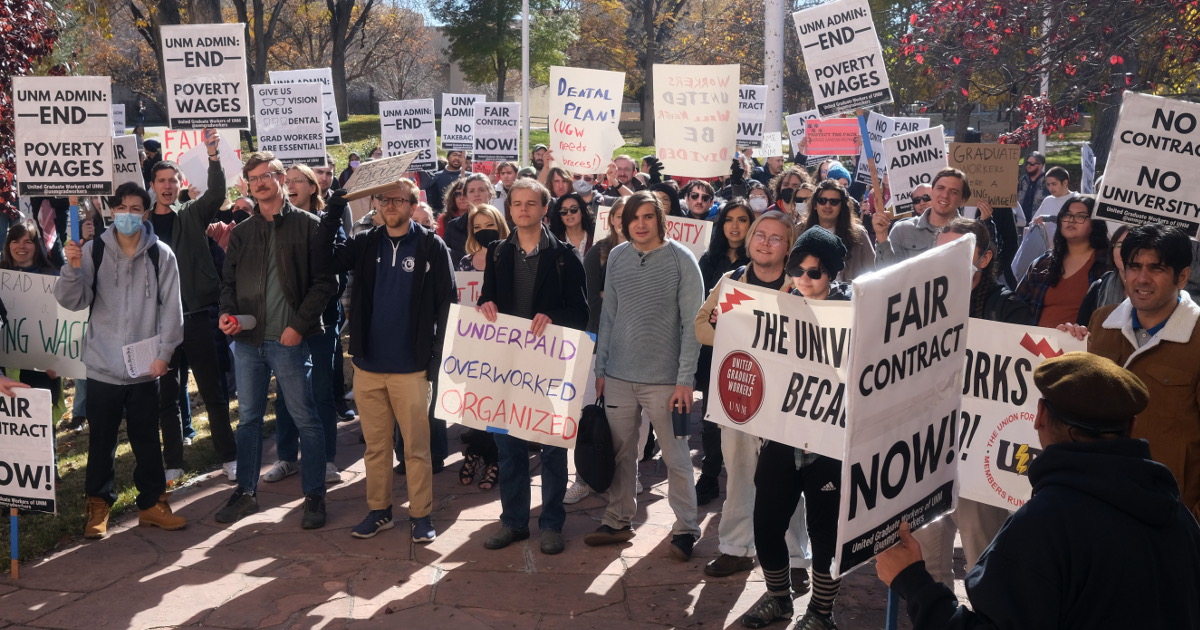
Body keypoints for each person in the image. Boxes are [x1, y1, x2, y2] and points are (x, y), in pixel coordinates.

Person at [877, 351, 1200, 629]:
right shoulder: (1177, 515)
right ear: (1130, 428)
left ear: (1041, 416)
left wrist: (913, 581)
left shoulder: (1044, 525)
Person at [317, 179, 454, 542]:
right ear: (375, 205)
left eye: (398, 200)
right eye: (384, 200)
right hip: (368, 367)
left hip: (411, 368)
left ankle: (421, 515)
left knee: (416, 449)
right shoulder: (364, 243)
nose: (390, 205)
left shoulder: (431, 245)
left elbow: (448, 303)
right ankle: (379, 511)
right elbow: (323, 256)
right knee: (376, 448)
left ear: (412, 205)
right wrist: (335, 206)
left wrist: (435, 357)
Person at [733, 226, 849, 630]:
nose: (803, 278)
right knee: (766, 524)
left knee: (825, 536)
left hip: (830, 444)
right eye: (797, 268)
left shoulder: (855, 312)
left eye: (814, 272)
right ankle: (779, 599)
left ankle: (820, 612)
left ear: (832, 274)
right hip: (783, 437)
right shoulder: (778, 306)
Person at [55, 181, 186, 538]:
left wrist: (164, 355)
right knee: (102, 442)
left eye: (134, 209)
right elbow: (73, 302)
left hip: (145, 369)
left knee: (147, 440)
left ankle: (152, 503)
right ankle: (98, 506)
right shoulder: (94, 250)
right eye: (121, 207)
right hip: (102, 366)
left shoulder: (161, 254)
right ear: (112, 210)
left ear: (145, 213)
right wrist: (71, 267)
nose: (127, 214)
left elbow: (172, 311)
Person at [213, 151, 337, 529]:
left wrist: (298, 326)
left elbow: (324, 284)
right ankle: (246, 493)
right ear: (248, 185)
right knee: (249, 420)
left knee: (306, 420)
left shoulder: (310, 226)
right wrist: (226, 315)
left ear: (283, 179)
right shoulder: (244, 231)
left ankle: (314, 495)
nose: (261, 183)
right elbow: (229, 284)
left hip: (289, 341)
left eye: (268, 175)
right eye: (254, 178)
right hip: (248, 342)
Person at [910, 218, 1032, 587]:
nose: (945, 260)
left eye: (958, 252)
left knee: (984, 564)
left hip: (979, 455)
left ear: (984, 259)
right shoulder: (916, 304)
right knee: (927, 566)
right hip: (927, 449)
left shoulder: (1007, 308)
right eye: (940, 251)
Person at [694, 212, 813, 586]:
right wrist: (728, 329)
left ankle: (795, 558)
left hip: (785, 401)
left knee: (789, 480)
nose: (764, 242)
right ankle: (736, 548)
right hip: (739, 395)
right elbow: (701, 328)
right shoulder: (730, 281)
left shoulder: (801, 287)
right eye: (760, 234)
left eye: (775, 238)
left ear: (789, 247)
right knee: (741, 472)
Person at [585, 190, 704, 560]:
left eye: (648, 216)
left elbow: (693, 324)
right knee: (621, 454)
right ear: (623, 222)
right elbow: (608, 316)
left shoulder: (682, 260)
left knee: (676, 458)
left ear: (659, 220)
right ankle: (618, 519)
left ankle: (686, 528)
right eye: (633, 217)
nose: (640, 223)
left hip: (666, 382)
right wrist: (601, 368)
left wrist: (685, 380)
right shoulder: (616, 257)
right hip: (618, 375)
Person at [476, 178, 589, 555]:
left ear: (544, 210)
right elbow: (486, 299)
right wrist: (485, 307)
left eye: (530, 204)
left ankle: (552, 524)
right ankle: (513, 522)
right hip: (507, 367)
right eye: (516, 204)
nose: (523, 209)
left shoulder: (564, 256)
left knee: (554, 450)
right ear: (509, 210)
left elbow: (581, 311)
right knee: (508, 448)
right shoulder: (496, 253)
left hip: (548, 367)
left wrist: (554, 317)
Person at [1082, 223, 1200, 520]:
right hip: (1098, 499)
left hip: (1167, 515)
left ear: (1182, 277)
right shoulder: (1101, 321)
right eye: (1134, 266)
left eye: (1156, 268)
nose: (1142, 279)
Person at [145, 129, 236, 484]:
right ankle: (173, 464)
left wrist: (213, 158)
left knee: (213, 391)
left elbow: (216, 193)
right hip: (159, 324)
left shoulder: (191, 214)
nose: (167, 186)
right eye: (161, 180)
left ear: (180, 183)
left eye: (172, 180)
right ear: (152, 184)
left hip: (197, 315)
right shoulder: (141, 225)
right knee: (167, 396)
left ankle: (229, 456)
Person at [262, 164, 342, 486]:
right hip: (285, 325)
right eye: (288, 180)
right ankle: (285, 458)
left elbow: (336, 276)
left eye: (298, 180)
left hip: (320, 324)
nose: (291, 185)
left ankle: (325, 461)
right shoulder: (276, 224)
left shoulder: (329, 222)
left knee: (321, 392)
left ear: (313, 187)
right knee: (286, 393)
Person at [693, 199, 754, 504]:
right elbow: (700, 306)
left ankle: (745, 482)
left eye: (742, 219)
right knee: (710, 418)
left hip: (750, 353)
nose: (734, 226)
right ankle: (709, 475)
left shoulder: (760, 262)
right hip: (714, 350)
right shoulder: (708, 260)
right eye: (729, 219)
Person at [1015, 195, 1110, 327]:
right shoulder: (1042, 263)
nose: (1071, 220)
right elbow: (1017, 306)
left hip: (1082, 345)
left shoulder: (1107, 263)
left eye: (1080, 216)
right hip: (1035, 344)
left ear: (1095, 223)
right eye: (1067, 215)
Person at [874, 167, 988, 266]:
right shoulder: (902, 230)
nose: (945, 195)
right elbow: (886, 275)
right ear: (932, 191)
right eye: (941, 188)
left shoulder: (972, 234)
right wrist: (881, 235)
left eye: (954, 192)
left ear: (963, 200)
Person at [799, 180, 875, 281]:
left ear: (842, 206)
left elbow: (874, 271)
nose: (827, 205)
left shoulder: (858, 235)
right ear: (814, 204)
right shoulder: (799, 231)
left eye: (834, 202)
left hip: (847, 295)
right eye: (822, 200)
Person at [1077, 225, 1130, 325]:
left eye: (1131, 245)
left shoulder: (1152, 291)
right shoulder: (1098, 287)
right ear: (1112, 250)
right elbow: (1081, 327)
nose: (1124, 251)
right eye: (1119, 245)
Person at [457, 204, 509, 272]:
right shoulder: (465, 262)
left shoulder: (514, 257)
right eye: (477, 227)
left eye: (489, 225)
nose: (483, 230)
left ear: (500, 226)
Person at [547, 193, 594, 258]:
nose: (569, 214)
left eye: (573, 209)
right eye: (564, 211)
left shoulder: (595, 238)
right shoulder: (554, 242)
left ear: (582, 212)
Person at [438, 177, 471, 260]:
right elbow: (442, 246)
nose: (461, 198)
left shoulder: (480, 217)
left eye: (465, 193)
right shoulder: (443, 219)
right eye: (458, 194)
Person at [1015, 151, 1048, 224]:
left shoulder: (1047, 182)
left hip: (1038, 223)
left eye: (1032, 164)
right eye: (1027, 163)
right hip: (1021, 222)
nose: (1028, 166)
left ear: (1040, 166)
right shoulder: (1022, 180)